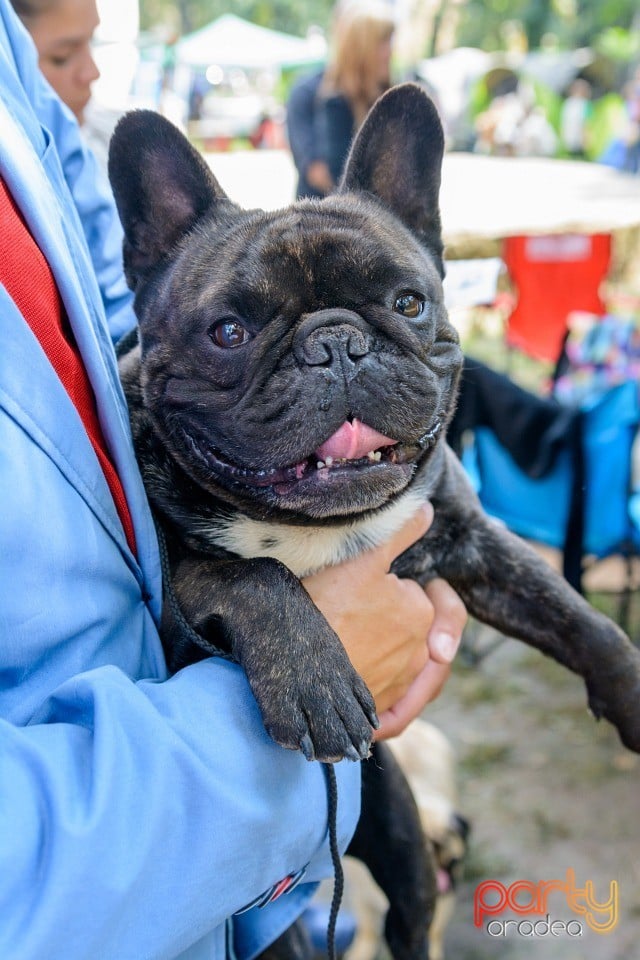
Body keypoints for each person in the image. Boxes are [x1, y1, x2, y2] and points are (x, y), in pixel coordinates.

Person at [0, 3, 466, 958]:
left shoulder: (8, 70)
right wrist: (264, 713)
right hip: (156, 851)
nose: (81, 75)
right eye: (62, 52)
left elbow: (116, 289)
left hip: (245, 887)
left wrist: (400, 477)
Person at [286, 0, 395, 199]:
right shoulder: (311, 94)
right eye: (382, 42)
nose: (389, 51)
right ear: (360, 48)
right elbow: (316, 171)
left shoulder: (385, 96)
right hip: (322, 213)